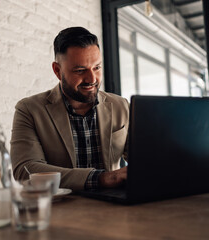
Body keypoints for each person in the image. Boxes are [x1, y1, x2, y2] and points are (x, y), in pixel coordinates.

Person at [10, 27, 128, 191]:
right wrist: (101, 179)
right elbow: (25, 170)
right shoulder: (29, 109)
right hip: (61, 210)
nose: (92, 79)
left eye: (97, 67)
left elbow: (145, 157)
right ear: (57, 71)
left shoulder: (121, 106)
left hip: (115, 207)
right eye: (80, 70)